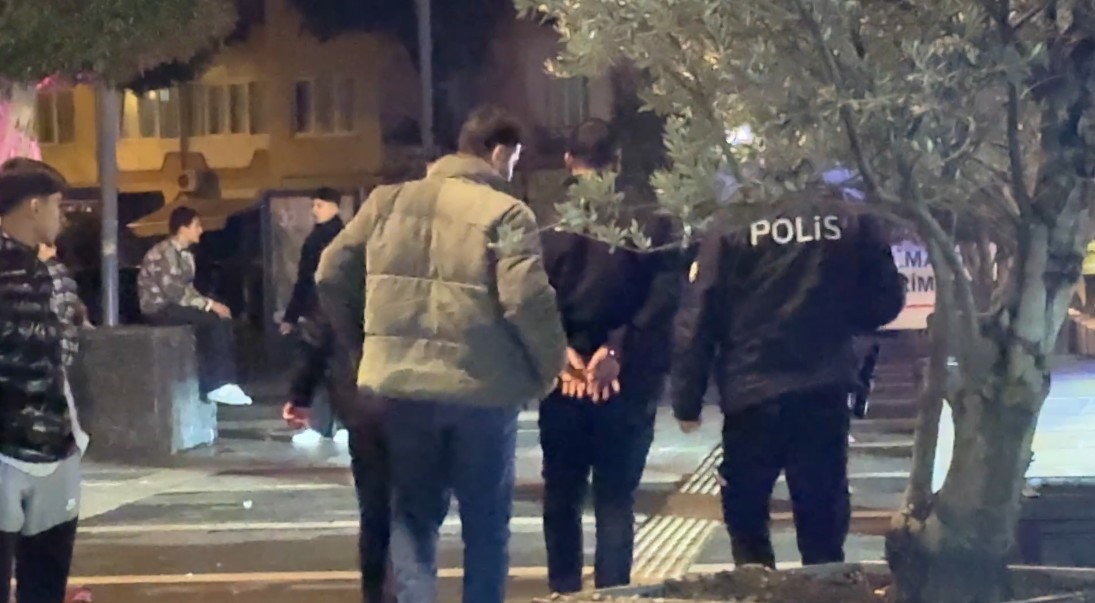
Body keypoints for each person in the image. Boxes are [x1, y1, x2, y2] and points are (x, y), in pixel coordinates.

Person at [316, 105, 567, 603]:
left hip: (402, 389)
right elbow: (525, 299)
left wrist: (366, 345)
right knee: (486, 526)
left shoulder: (386, 203)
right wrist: (549, 367)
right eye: (514, 158)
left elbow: (329, 272)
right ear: (499, 152)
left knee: (413, 519)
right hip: (482, 390)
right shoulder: (507, 213)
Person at [672, 200, 906, 568]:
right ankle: (823, 586)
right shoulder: (847, 215)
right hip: (822, 385)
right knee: (823, 523)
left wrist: (688, 399)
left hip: (751, 390)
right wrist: (835, 315)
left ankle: (756, 587)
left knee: (747, 518)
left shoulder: (735, 220)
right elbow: (883, 301)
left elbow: (701, 311)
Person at [537, 119, 684, 593]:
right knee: (616, 499)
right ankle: (612, 593)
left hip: (563, 379)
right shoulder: (649, 216)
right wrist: (617, 348)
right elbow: (665, 292)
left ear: (568, 160)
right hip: (628, 378)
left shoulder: (545, 217)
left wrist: (561, 350)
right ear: (617, 161)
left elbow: (529, 293)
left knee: (562, 496)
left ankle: (563, 591)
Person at [0, 158, 88, 603]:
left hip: (43, 449)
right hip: (39, 449)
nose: (62, 216)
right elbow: (63, 352)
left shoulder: (50, 274)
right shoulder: (51, 278)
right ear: (35, 206)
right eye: (57, 204)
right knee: (43, 585)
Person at [137, 206, 252, 406]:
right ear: (183, 228)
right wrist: (209, 305)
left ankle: (225, 380)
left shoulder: (187, 256)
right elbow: (174, 292)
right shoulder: (163, 253)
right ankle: (217, 383)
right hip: (159, 307)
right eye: (196, 225)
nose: (200, 230)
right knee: (211, 322)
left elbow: (188, 290)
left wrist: (210, 304)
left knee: (221, 320)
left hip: (175, 304)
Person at [281, 186, 346, 441]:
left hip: (319, 312)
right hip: (336, 311)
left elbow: (305, 281)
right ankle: (337, 425)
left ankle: (317, 425)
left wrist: (292, 315)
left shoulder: (318, 240)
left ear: (334, 206)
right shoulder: (345, 236)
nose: (314, 211)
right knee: (335, 369)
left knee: (313, 366)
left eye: (319, 205)